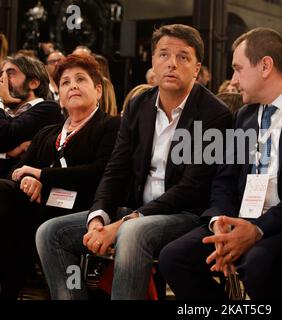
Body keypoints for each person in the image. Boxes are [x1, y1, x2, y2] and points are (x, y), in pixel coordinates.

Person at [36, 24, 231, 300]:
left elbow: (192, 187)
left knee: (132, 233)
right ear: (152, 61)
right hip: (134, 209)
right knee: (51, 233)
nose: (171, 64)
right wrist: (98, 217)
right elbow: (116, 169)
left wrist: (126, 221)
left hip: (185, 214)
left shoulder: (214, 114)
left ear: (197, 68)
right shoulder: (139, 105)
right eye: (163, 55)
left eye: (183, 57)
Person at [159, 27, 282, 300]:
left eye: (238, 69)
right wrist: (220, 220)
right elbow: (225, 178)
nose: (233, 79)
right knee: (175, 257)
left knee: (256, 265)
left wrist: (257, 229)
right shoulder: (244, 116)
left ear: (265, 66)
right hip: (240, 219)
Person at [0, 54, 120, 299]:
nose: (72, 85)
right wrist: (26, 179)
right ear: (61, 97)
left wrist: (42, 175)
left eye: (80, 79)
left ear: (98, 90)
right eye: (65, 82)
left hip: (81, 210)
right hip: (37, 208)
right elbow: (16, 170)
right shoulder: (48, 132)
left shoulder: (111, 126)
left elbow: (98, 172)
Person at [0, 55, 64, 177]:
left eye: (10, 74)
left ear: (33, 83)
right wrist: (7, 153)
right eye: (1, 74)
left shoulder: (48, 108)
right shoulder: (5, 111)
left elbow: (4, 136)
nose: (3, 80)